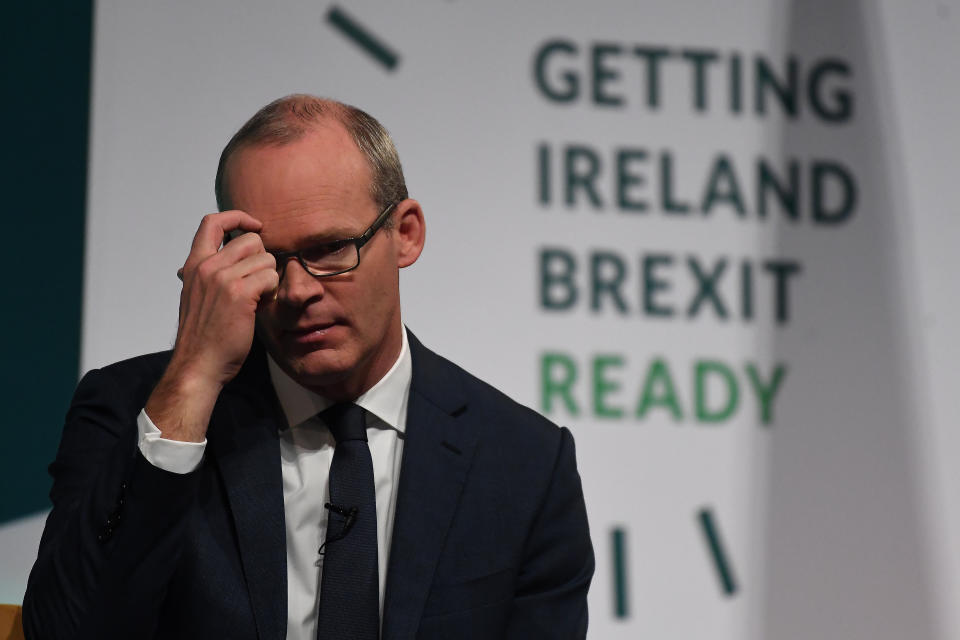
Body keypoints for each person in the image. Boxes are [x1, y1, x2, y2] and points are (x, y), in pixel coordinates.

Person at [23, 95, 594, 639]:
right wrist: (193, 377)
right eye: (263, 257)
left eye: (329, 250)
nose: (295, 291)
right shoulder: (136, 409)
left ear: (406, 234)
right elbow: (63, 630)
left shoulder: (523, 463)